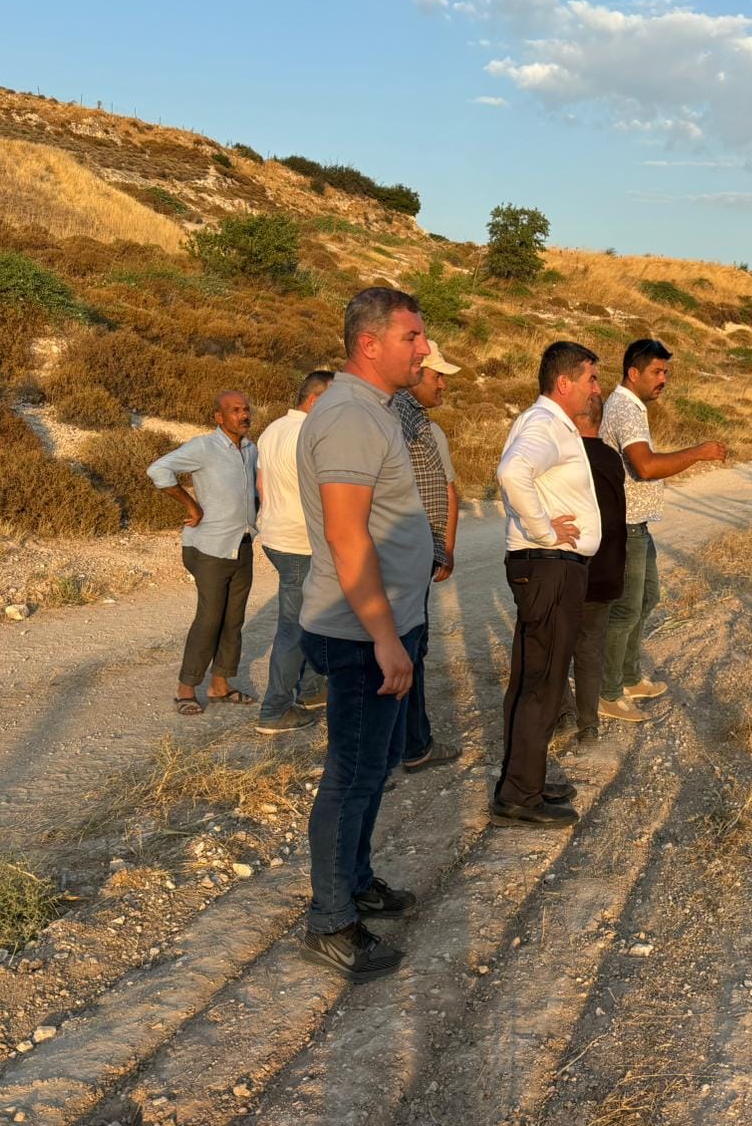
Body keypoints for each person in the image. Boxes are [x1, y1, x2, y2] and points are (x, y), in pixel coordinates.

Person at [295, 287, 434, 982]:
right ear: (370, 343)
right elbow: (348, 541)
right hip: (358, 633)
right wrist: (384, 636)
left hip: (384, 625)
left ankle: (354, 879)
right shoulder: (350, 417)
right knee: (350, 776)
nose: (425, 349)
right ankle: (330, 920)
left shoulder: (374, 414)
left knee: (372, 770)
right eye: (413, 336)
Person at [493, 341, 602, 828]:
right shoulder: (544, 425)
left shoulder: (545, 423)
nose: (595, 389)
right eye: (590, 380)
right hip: (550, 564)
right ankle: (519, 794)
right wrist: (543, 529)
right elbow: (512, 473)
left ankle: (524, 779)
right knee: (542, 682)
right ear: (565, 383)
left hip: (549, 565)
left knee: (536, 678)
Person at [598, 339, 728, 724]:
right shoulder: (625, 408)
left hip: (638, 525)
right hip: (624, 528)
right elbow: (646, 466)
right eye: (657, 372)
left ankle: (629, 676)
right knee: (624, 610)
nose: (664, 379)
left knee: (647, 598)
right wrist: (698, 453)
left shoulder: (631, 407)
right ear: (633, 373)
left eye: (666, 372)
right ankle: (606, 693)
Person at [147, 390, 260, 716]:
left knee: (233, 620)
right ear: (219, 417)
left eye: (246, 409)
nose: (243, 415)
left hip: (242, 545)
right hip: (208, 547)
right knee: (210, 618)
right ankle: (186, 688)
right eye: (235, 410)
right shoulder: (203, 447)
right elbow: (158, 470)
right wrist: (191, 505)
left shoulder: (251, 449)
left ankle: (220, 685)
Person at [391, 345, 464, 774]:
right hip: (402, 555)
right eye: (436, 374)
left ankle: (411, 741)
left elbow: (442, 489)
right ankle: (410, 746)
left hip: (415, 552)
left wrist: (442, 546)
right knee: (406, 649)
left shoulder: (418, 419)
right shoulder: (396, 415)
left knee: (411, 648)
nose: (442, 383)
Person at [253, 370, 334, 735]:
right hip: (300, 541)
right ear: (315, 400)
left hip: (274, 534)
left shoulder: (272, 429)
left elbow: (260, 483)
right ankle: (276, 708)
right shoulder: (311, 434)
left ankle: (315, 688)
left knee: (314, 617)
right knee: (295, 626)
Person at [557, 390, 627, 746]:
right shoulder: (612, 459)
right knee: (590, 651)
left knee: (556, 648)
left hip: (570, 569)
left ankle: (563, 714)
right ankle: (589, 727)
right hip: (605, 575)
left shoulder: (564, 458)